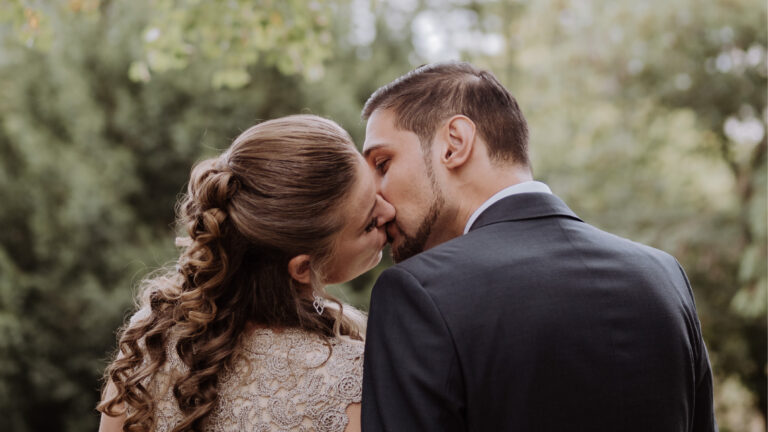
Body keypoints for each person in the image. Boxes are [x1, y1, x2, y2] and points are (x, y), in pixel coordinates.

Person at [360, 62, 717, 431]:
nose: (375, 197)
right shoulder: (663, 274)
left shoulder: (416, 293)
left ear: (455, 144)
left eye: (383, 164)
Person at [97, 114, 395, 432]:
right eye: (369, 223)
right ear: (303, 268)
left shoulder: (150, 345)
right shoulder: (355, 378)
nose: (388, 211)